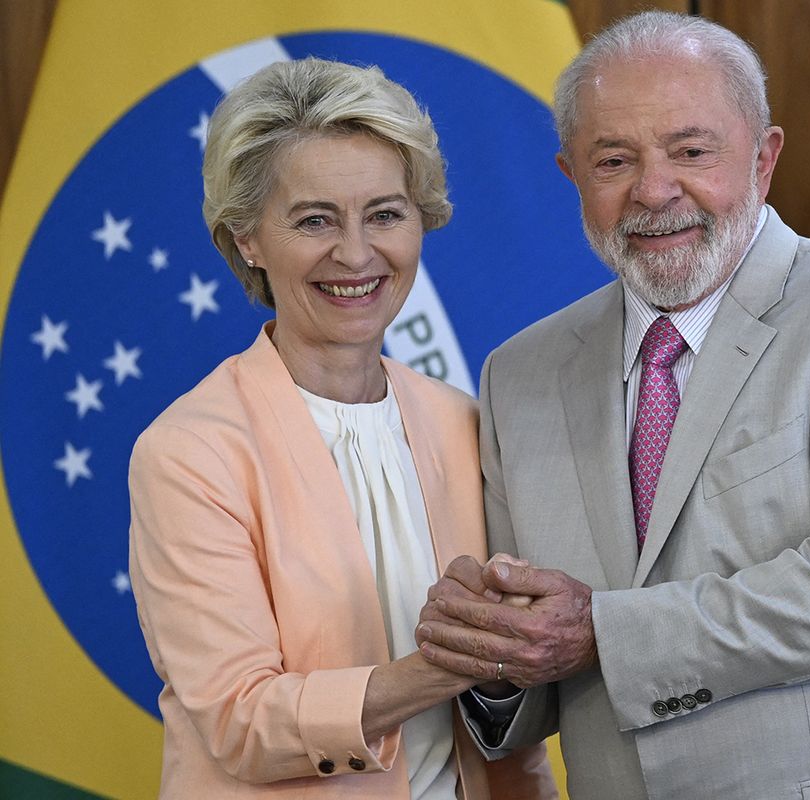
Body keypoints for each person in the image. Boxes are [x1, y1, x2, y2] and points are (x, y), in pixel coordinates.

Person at [414, 11, 810, 800]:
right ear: (571, 178)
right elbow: (539, 672)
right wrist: (493, 659)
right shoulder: (518, 375)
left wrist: (599, 631)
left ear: (763, 160)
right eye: (613, 160)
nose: (654, 190)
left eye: (692, 152)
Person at [127, 58, 555, 799]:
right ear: (247, 239)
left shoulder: (463, 420)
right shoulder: (189, 453)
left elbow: (507, 707)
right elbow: (241, 721)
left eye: (385, 214)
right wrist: (447, 664)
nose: (356, 254)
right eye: (315, 219)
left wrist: (509, 659)